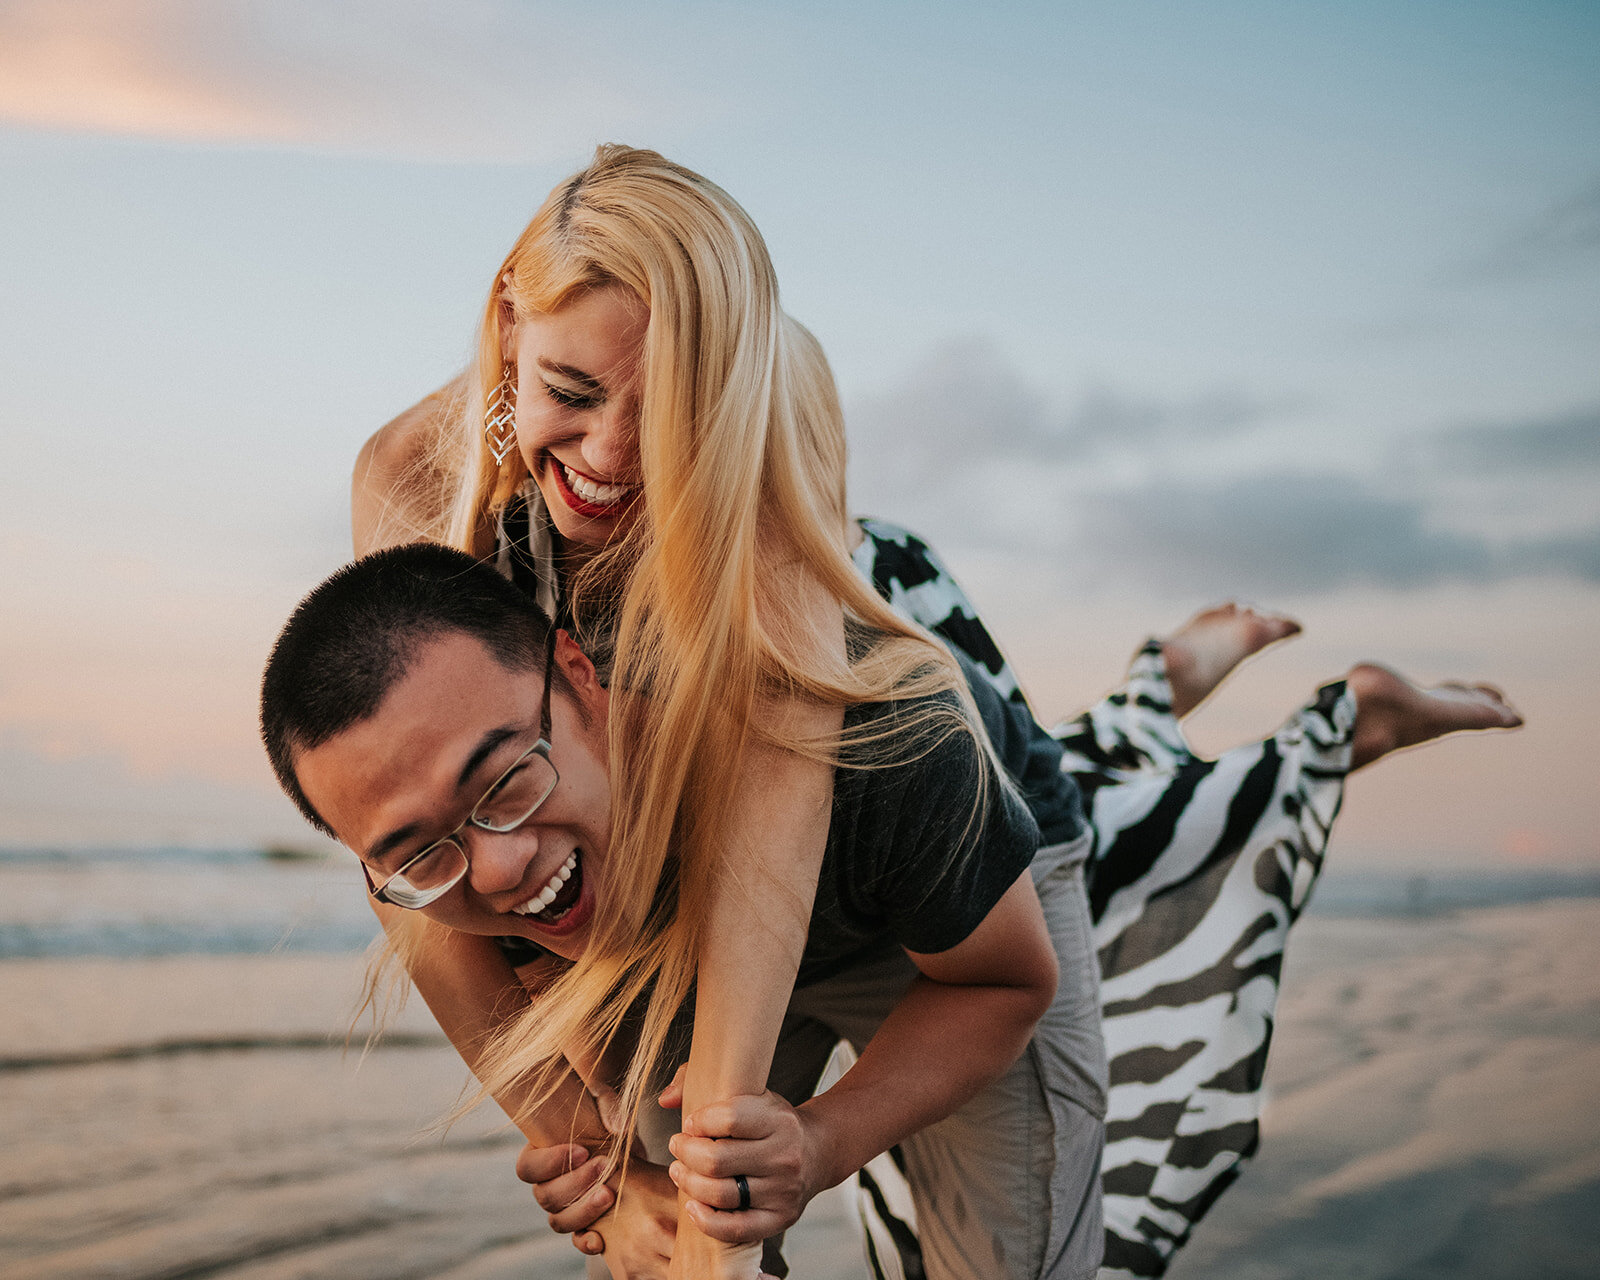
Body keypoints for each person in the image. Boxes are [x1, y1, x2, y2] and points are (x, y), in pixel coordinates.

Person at [348, 144, 1522, 1279]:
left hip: (894, 823)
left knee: (1090, 848)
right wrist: (591, 1160)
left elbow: (821, 844)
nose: (609, 453)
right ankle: (1172, 666)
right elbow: (403, 839)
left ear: (735, 392)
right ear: (509, 318)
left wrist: (802, 1148)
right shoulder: (414, 489)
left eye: (668, 417)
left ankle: (1325, 717)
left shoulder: (790, 509)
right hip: (706, 867)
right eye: (569, 389)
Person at [262, 543, 1108, 1280]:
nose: (501, 867)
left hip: (940, 904)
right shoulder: (439, 878)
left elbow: (1003, 984)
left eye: (505, 781)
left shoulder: (889, 738)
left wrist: (820, 1143)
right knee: (668, 1250)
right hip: (673, 933)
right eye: (418, 850)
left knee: (1018, 1259)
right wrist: (612, 1180)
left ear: (579, 675)